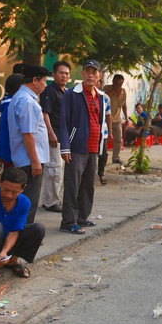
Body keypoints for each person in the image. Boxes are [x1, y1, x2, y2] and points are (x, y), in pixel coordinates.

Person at [58, 59, 107, 234]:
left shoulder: (101, 97)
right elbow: (63, 121)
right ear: (82, 74)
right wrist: (65, 146)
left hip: (94, 148)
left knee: (87, 185)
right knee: (73, 185)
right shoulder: (72, 94)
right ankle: (68, 221)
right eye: (88, 71)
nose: (91, 75)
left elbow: (101, 122)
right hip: (76, 147)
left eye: (94, 72)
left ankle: (81, 217)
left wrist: (103, 146)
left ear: (99, 76)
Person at [8, 64, 51, 224]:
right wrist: (35, 161)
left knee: (24, 200)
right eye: (44, 81)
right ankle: (25, 235)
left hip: (25, 159)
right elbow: (28, 134)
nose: (45, 85)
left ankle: (21, 233)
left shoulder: (21, 97)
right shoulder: (27, 102)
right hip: (29, 161)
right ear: (35, 80)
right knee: (29, 201)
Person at [40, 60, 71, 213]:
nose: (64, 76)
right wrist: (50, 133)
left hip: (64, 138)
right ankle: (50, 201)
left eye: (66, 73)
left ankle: (53, 199)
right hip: (54, 137)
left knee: (59, 170)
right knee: (54, 169)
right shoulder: (49, 91)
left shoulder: (66, 92)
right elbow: (45, 113)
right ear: (54, 74)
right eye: (61, 73)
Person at [0, 73, 24, 169]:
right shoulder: (14, 106)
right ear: (20, 88)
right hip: (13, 152)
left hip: (6, 150)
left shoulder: (7, 104)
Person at [104, 74, 128, 164]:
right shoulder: (106, 88)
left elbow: (124, 105)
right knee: (105, 139)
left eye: (120, 85)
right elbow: (102, 97)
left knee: (118, 139)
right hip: (106, 119)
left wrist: (126, 117)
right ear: (113, 82)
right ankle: (103, 156)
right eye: (117, 84)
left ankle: (116, 157)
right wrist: (113, 91)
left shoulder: (123, 92)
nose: (119, 86)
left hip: (117, 119)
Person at [96, 78, 112, 185]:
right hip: (89, 131)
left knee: (103, 153)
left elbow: (108, 115)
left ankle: (101, 173)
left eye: (98, 81)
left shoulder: (105, 98)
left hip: (103, 131)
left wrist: (110, 131)